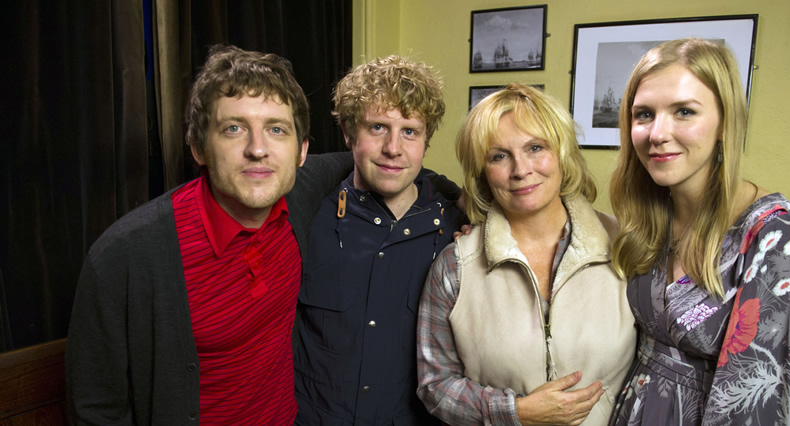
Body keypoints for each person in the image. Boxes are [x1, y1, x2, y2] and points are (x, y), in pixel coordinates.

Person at [66, 45, 354, 425]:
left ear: (301, 152)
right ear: (199, 147)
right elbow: (94, 411)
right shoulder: (124, 258)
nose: (257, 149)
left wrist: (458, 202)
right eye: (233, 128)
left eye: (276, 129)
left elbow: (377, 160)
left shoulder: (301, 192)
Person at [607, 38, 790, 425]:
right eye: (643, 114)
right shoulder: (650, 219)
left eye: (684, 112)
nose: (657, 133)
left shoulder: (775, 241)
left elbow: (765, 404)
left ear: (726, 122)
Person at [417, 83, 637, 426]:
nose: (521, 170)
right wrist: (514, 412)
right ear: (483, 175)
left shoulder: (627, 247)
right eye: (499, 156)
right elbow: (436, 386)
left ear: (562, 154)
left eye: (535, 147)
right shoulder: (454, 267)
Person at [293, 55, 462, 425]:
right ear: (350, 134)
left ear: (426, 143)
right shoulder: (307, 216)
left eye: (410, 132)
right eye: (378, 128)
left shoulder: (457, 231)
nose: (393, 148)